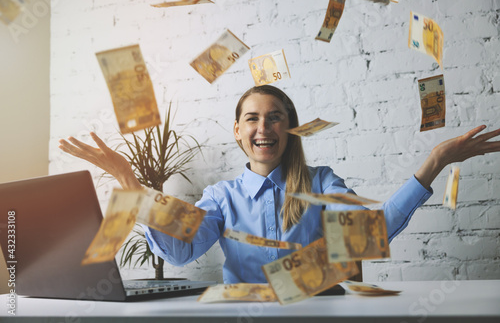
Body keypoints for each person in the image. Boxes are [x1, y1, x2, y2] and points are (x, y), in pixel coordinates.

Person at [59, 85, 500, 284]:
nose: (263, 126)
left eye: (275, 117)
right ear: (237, 130)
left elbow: (371, 235)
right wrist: (127, 180)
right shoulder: (221, 198)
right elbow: (179, 251)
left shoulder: (322, 183)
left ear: (290, 130)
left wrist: (436, 161)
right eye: (252, 117)